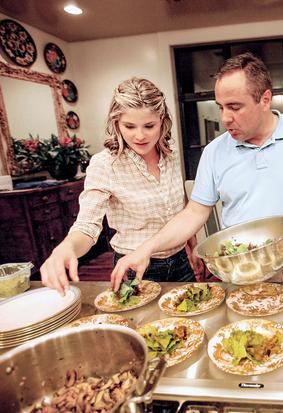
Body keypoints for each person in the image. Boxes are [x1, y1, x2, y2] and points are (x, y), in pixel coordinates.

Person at [111, 53, 283, 290]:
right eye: (221, 107)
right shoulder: (214, 151)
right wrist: (146, 249)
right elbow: (194, 213)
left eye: (235, 107)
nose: (224, 118)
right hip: (238, 272)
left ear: (265, 100)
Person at [41, 77, 200, 294]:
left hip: (181, 261)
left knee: (189, 323)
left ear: (162, 122)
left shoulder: (170, 154)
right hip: (135, 269)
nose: (140, 135)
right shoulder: (105, 164)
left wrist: (192, 246)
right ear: (116, 123)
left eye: (149, 126)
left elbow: (181, 210)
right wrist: (67, 247)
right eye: (129, 126)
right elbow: (87, 226)